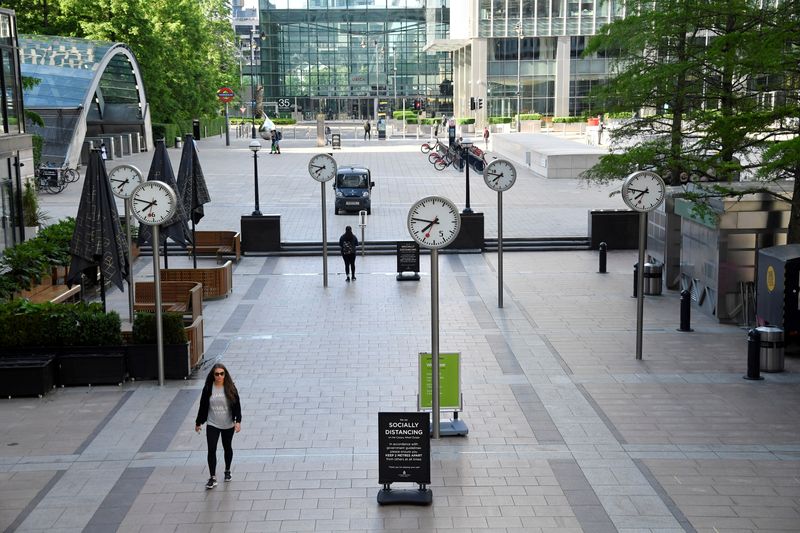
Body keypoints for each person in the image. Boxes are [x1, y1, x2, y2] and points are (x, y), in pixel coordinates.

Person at [195, 363, 242, 490]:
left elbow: (237, 406)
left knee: (227, 447)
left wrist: (238, 421)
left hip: (228, 424)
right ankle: (212, 477)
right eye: (217, 374)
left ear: (225, 375)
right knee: (211, 449)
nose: (219, 376)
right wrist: (198, 422)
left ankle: (227, 470)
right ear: (213, 375)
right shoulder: (208, 388)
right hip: (212, 424)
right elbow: (203, 406)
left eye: (222, 374)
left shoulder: (231, 388)